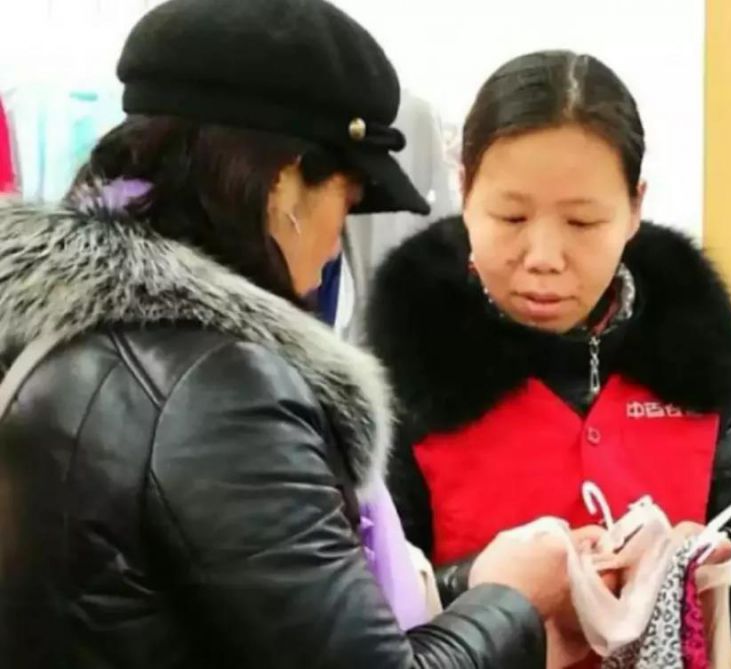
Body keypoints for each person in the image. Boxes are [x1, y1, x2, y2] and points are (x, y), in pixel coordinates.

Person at [0, 2, 575, 667]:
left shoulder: (72, 340)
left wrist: (465, 586)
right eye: (347, 201)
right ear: (284, 181)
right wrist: (513, 597)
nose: (336, 246)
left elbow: (269, 610)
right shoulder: (220, 393)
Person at [367, 50, 731, 652]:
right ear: (464, 191)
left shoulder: (695, 356)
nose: (544, 258)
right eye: (511, 217)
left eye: (582, 224)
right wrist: (485, 586)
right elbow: (363, 613)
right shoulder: (399, 371)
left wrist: (704, 565)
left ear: (634, 208)